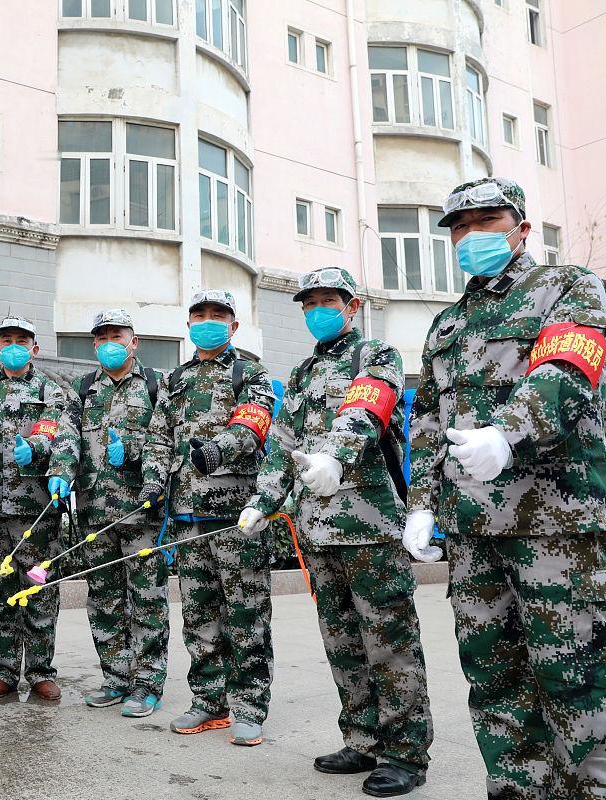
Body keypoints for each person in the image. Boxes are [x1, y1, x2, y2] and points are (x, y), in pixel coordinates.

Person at [404, 177, 606, 799]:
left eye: (485, 220)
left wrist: (509, 433)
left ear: (520, 227)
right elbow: (428, 422)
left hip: (555, 523)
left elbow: (567, 369)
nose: (470, 236)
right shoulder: (446, 324)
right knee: (492, 675)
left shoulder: (568, 288)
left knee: (573, 674)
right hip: (473, 532)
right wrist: (420, 506)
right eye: (458, 228)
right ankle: (519, 790)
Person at [240, 268, 433, 796]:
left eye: (329, 301)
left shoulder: (374, 356)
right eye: (310, 303)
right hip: (317, 532)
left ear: (351, 306)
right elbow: (282, 443)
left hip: (367, 526)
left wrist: (334, 455)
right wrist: (262, 500)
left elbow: (365, 412)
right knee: (343, 640)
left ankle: (404, 753)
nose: (318, 310)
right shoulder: (302, 373)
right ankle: (363, 739)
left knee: (389, 641)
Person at [142, 290, 277, 746]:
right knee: (198, 612)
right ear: (188, 323)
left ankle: (250, 706)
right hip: (187, 516)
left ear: (233, 325)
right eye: (199, 314)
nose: (208, 321)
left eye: (218, 315)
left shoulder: (249, 372)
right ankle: (208, 700)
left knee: (246, 611)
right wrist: (153, 481)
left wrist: (219, 448)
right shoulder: (176, 380)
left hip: (236, 514)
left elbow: (254, 423)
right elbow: (158, 438)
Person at [48, 308, 170, 718]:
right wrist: (61, 472)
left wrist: (134, 455)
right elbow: (67, 437)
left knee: (146, 600)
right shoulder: (83, 389)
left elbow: (165, 441)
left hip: (141, 514)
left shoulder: (156, 386)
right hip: (94, 515)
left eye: (116, 336)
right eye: (100, 338)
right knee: (103, 599)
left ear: (133, 342)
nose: (108, 345)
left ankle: (148, 683)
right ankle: (116, 678)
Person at [0, 316, 65, 701]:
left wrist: (48, 458)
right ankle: (4, 671)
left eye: (22, 340)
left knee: (39, 591)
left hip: (37, 512)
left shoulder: (52, 392)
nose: (14, 346)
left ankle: (41, 671)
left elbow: (64, 438)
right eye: (6, 340)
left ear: (35, 349)